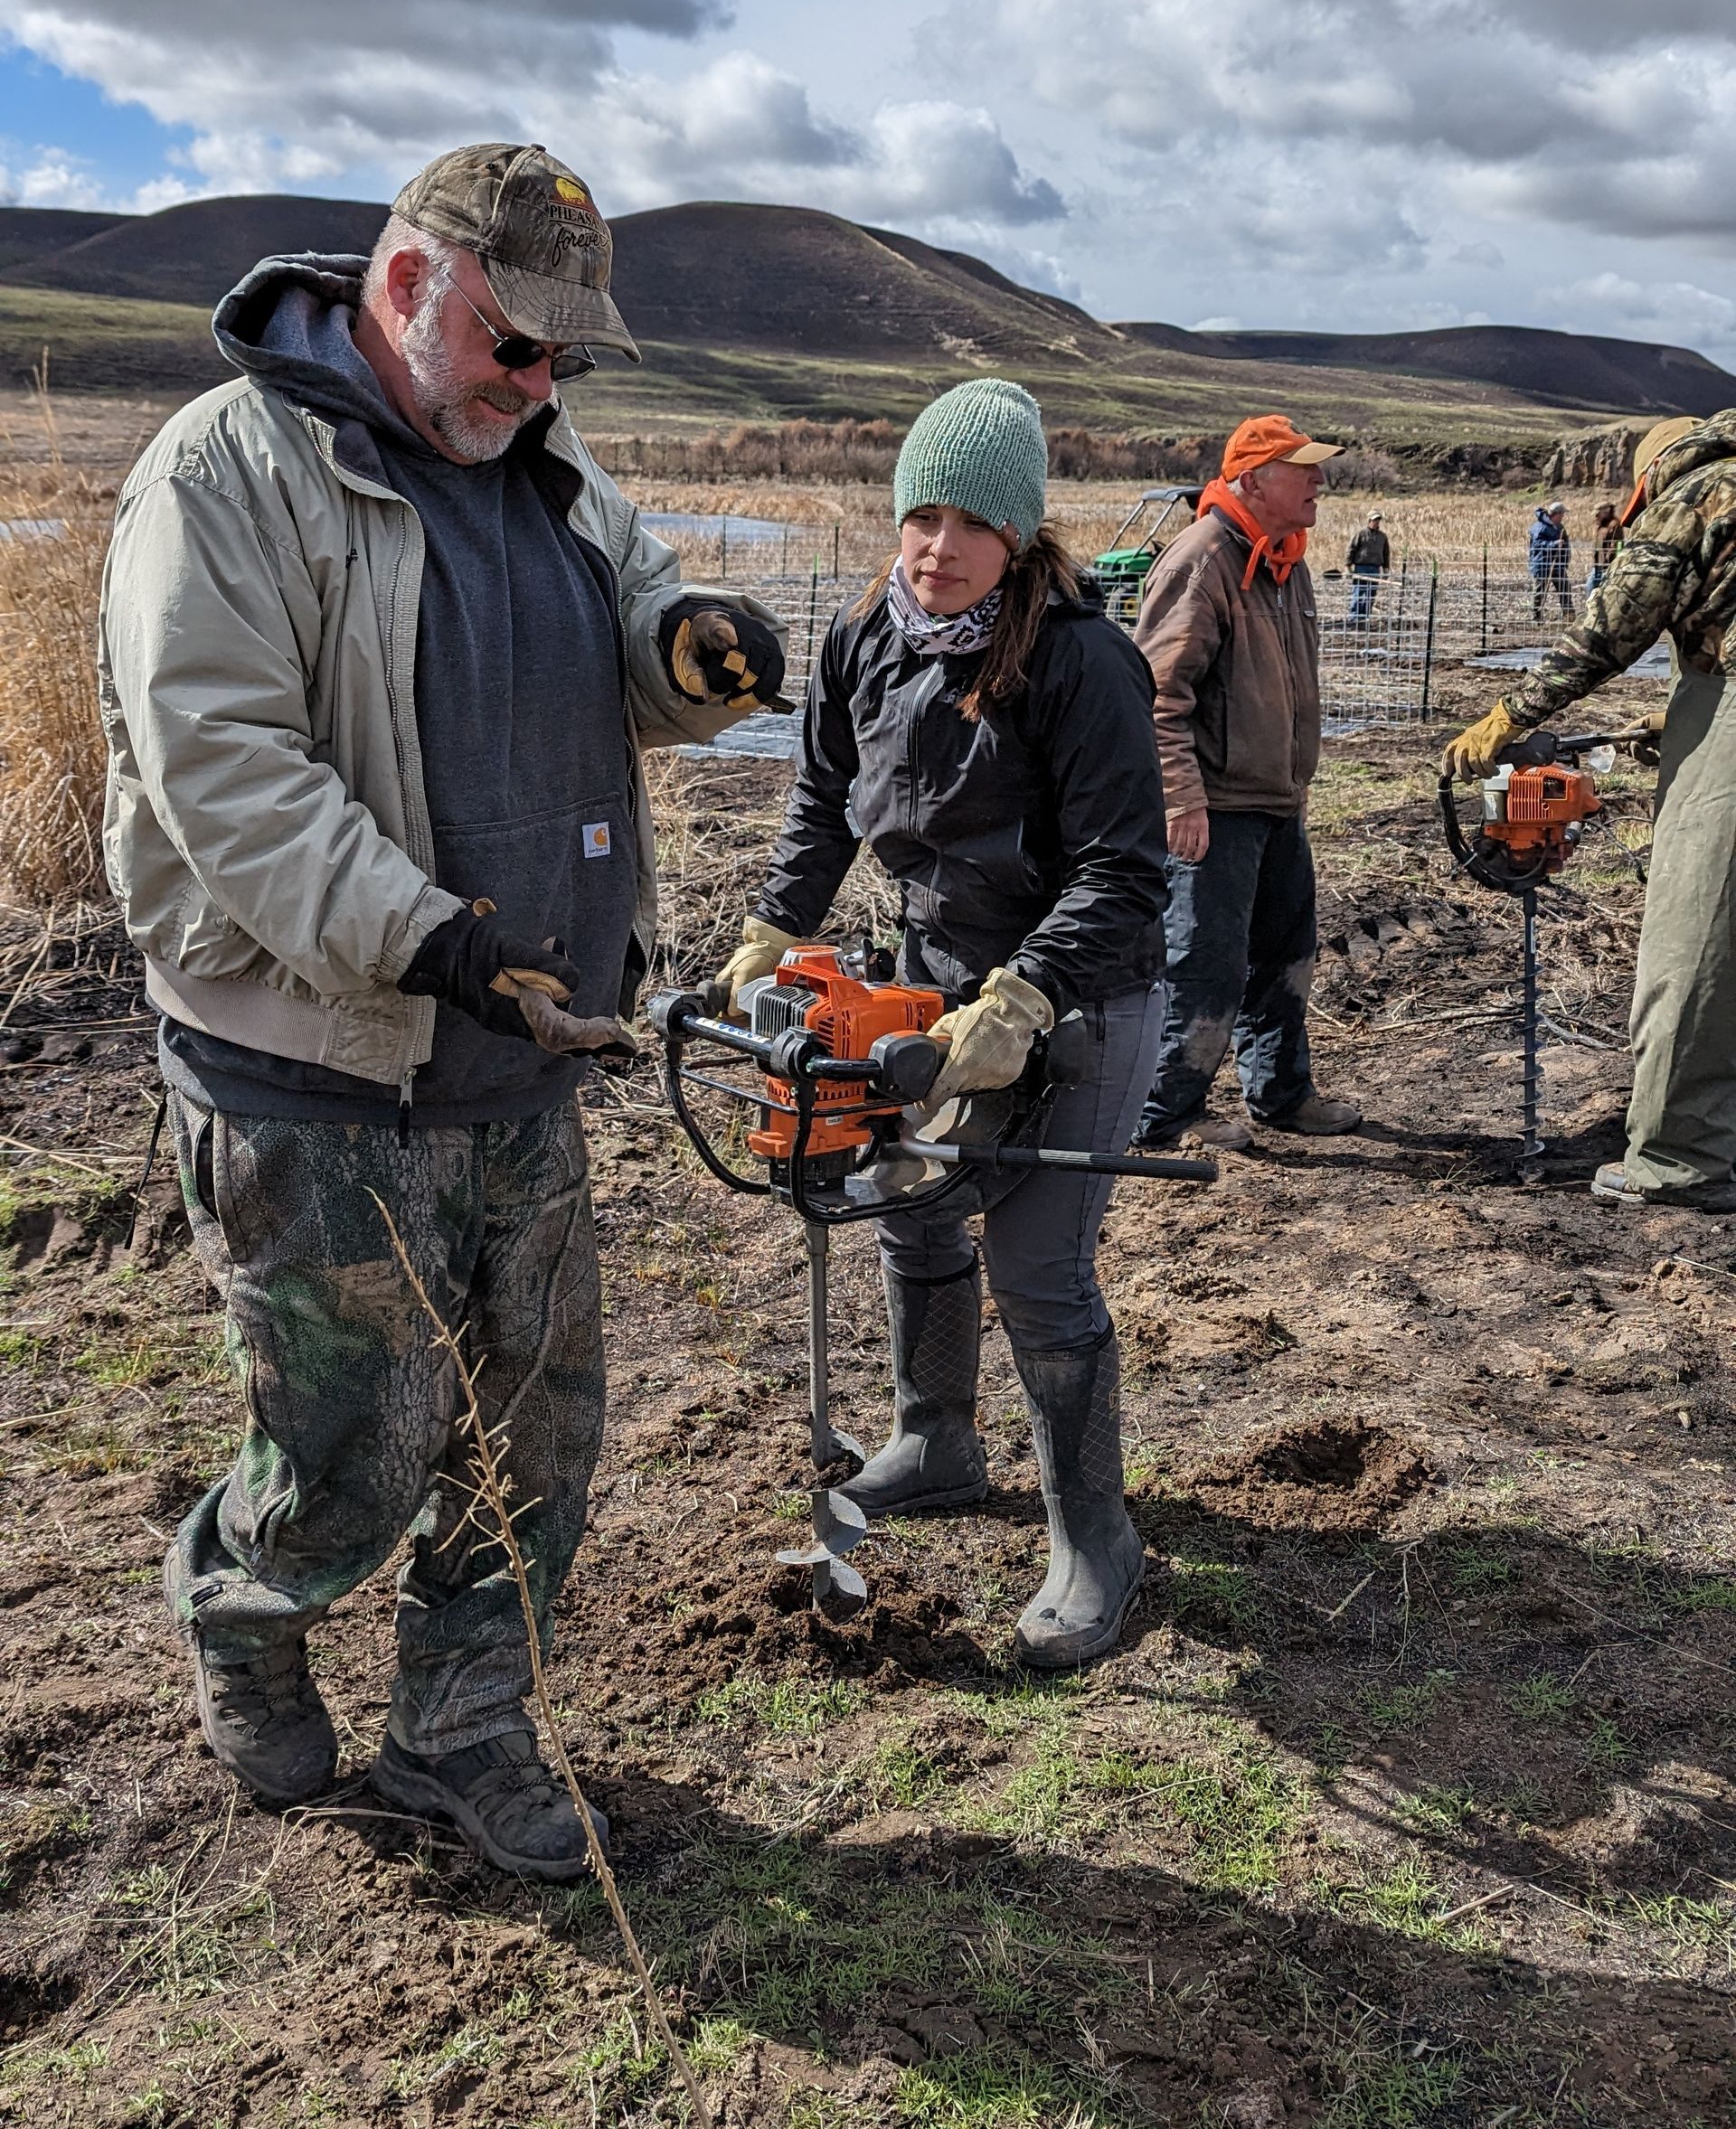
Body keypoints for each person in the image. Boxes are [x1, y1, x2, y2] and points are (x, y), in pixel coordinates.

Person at [99, 143, 789, 1877]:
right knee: (350, 1453)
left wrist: (689, 637)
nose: (542, 381)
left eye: (566, 356)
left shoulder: (547, 463)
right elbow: (224, 770)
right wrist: (423, 936)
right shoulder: (228, 473)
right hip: (317, 1064)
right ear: (408, 286)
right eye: (515, 342)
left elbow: (635, 601)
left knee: (536, 1437)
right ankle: (245, 1616)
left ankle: (460, 1727)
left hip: (522, 1056)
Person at [712, 377, 1169, 1672]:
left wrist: (1024, 995)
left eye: (971, 521)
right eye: (921, 514)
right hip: (931, 971)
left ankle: (1096, 1537)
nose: (938, 545)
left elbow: (1128, 866)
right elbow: (820, 799)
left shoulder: (1082, 662)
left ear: (1020, 534)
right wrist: (771, 929)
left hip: (1081, 987)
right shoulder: (871, 636)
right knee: (910, 1206)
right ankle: (941, 1437)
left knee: (1037, 1266)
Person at [1442, 411, 1736, 1213]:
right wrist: (1681, 715)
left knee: (1699, 934)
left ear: (1647, 480)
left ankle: (1680, 1157)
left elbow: (1610, 627)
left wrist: (1510, 712)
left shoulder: (1700, 491)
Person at [1131, 413, 1362, 1154]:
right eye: (1305, 468)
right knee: (1204, 964)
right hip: (1217, 809)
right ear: (1255, 479)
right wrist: (1181, 797)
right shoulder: (1204, 559)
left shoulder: (1283, 563)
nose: (1319, 480)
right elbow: (1158, 695)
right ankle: (1165, 1113)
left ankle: (1281, 1092)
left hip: (1276, 801)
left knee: (1286, 953)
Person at [1346, 509, 1391, 628]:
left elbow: (1386, 553)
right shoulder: (1361, 534)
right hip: (1361, 568)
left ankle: (1365, 619)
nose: (1377, 523)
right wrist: (1348, 566)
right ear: (1369, 521)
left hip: (1375, 569)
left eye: (1378, 520)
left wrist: (1386, 568)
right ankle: (1354, 619)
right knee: (1359, 593)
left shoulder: (1382, 537)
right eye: (1375, 520)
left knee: (1370, 595)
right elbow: (1351, 549)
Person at [1529, 500, 1571, 620]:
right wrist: (1553, 544)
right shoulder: (1539, 527)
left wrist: (1565, 559)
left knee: (1565, 588)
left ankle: (1569, 615)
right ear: (1556, 514)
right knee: (1539, 592)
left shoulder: (1559, 527)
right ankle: (1536, 618)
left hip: (1558, 564)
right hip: (1542, 564)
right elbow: (1537, 544)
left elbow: (1565, 543)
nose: (1563, 516)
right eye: (1562, 514)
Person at [1588, 500, 1621, 594]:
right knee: (1591, 587)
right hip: (1598, 564)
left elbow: (1617, 545)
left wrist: (1609, 562)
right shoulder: (1601, 525)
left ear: (1606, 512)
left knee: (1596, 588)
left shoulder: (1614, 525)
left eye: (1598, 514)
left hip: (1607, 566)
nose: (1596, 517)